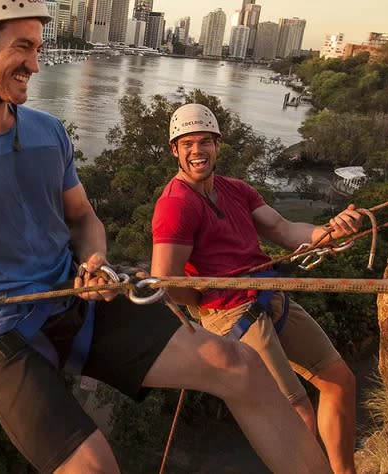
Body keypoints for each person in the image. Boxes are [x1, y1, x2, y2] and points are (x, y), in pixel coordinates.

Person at [0, 2, 330, 472]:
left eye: (38, 48)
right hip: (2, 332)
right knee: (92, 468)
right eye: (23, 47)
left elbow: (84, 218)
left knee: (241, 367)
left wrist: (94, 260)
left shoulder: (47, 132)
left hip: (78, 301)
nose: (36, 63)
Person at [151, 103, 360, 474]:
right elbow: (166, 281)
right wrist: (205, 302)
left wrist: (326, 233)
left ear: (217, 145)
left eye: (204, 142)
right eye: (187, 144)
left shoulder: (237, 191)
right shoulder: (175, 205)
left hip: (268, 295)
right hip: (230, 313)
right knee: (294, 415)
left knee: (339, 381)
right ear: (175, 150)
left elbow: (282, 230)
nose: (196, 151)